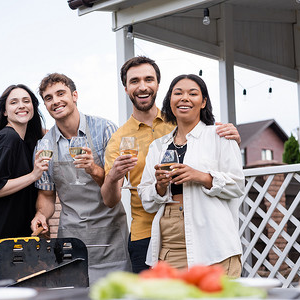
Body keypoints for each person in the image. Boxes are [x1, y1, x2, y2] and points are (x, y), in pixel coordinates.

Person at [101, 56, 241, 273]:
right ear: (126, 88)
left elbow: (233, 179)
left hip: (205, 228)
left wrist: (229, 144)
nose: (143, 86)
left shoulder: (189, 121)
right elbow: (111, 199)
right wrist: (114, 176)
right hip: (150, 236)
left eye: (149, 79)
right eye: (135, 81)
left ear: (158, 84)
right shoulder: (123, 140)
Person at [138, 74, 244, 277]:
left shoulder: (220, 136)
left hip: (214, 242)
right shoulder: (157, 146)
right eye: (178, 93)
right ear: (170, 100)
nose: (184, 98)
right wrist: (159, 186)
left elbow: (238, 186)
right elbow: (147, 200)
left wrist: (201, 176)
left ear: (203, 102)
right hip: (170, 242)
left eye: (193, 93)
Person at [30, 73, 131, 284]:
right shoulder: (44, 145)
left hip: (110, 234)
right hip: (72, 236)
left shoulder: (106, 130)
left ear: (74, 95)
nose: (55, 101)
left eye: (61, 93)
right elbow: (47, 195)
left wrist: (93, 169)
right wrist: (41, 215)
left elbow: (115, 187)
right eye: (48, 98)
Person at [0, 84, 49, 242]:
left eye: (26, 101)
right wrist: (33, 175)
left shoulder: (24, 143)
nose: (21, 105)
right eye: (14, 102)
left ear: (33, 107)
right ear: (5, 111)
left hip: (11, 242)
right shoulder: (8, 139)